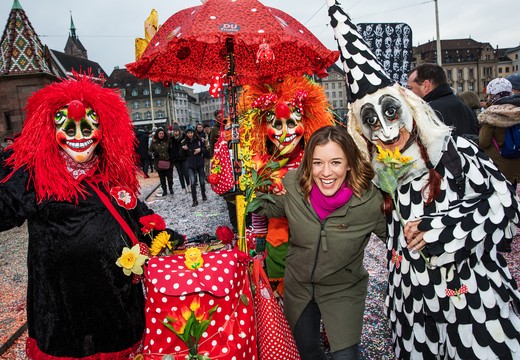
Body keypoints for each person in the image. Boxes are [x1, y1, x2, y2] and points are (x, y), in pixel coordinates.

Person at [327, 1, 520, 358]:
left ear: (409, 106)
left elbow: (505, 205)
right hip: (412, 306)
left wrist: (441, 230)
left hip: (468, 301)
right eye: (372, 120)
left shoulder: (454, 150)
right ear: (360, 129)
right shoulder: (378, 173)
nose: (386, 130)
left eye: (390, 112)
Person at [0, 75, 159, 358]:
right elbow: (4, 208)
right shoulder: (34, 175)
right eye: (68, 128)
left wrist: (164, 236)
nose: (78, 136)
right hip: (63, 313)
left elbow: (137, 214)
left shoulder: (112, 171)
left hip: (116, 307)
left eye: (87, 127)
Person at [254, 126, 386, 360]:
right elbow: (271, 207)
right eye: (317, 163)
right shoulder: (294, 185)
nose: (325, 172)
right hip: (299, 286)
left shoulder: (369, 201)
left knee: (345, 356)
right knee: (306, 351)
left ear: (349, 164)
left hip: (343, 289)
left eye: (335, 162)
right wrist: (253, 187)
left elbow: (397, 238)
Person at [238, 75, 335, 294]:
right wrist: (260, 247)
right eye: (277, 124)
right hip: (277, 248)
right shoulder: (262, 164)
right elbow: (258, 212)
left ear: (306, 123)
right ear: (264, 128)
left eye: (291, 123)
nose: (285, 133)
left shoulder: (317, 160)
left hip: (315, 249)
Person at [407, 63, 479, 138]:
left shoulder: (429, 111)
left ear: (426, 85)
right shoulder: (466, 107)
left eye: (410, 88)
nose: (407, 93)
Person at [478, 77, 520, 187]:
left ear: (495, 95)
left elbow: (483, 142)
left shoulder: (492, 114)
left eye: (489, 95)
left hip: (499, 167)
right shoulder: (517, 109)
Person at [181, 125, 207, 207]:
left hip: (199, 163)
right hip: (190, 164)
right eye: (188, 133)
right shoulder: (184, 142)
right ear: (186, 134)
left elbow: (206, 151)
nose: (190, 134)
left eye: (191, 132)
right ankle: (194, 200)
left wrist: (200, 150)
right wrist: (183, 149)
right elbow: (181, 155)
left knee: (202, 181)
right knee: (192, 182)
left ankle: (203, 194)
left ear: (194, 133)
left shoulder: (199, 140)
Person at [150, 127, 174, 196]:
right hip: (159, 162)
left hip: (168, 161)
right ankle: (164, 190)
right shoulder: (154, 142)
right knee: (162, 178)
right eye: (160, 133)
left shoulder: (168, 140)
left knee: (170, 177)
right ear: (157, 134)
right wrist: (153, 154)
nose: (161, 135)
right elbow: (149, 150)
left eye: (162, 133)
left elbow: (171, 148)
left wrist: (171, 155)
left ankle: (171, 188)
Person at [171, 124, 190, 193]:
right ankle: (183, 188)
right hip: (176, 159)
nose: (175, 132)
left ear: (179, 131)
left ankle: (188, 185)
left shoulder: (183, 138)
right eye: (174, 131)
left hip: (184, 157)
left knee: (185, 172)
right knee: (180, 174)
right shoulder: (171, 139)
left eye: (176, 131)